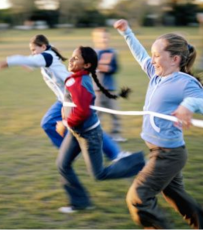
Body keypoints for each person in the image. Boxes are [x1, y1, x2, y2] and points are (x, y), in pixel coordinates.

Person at [114, 19, 203, 229]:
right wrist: (127, 33)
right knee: (178, 198)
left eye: (157, 55)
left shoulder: (184, 82)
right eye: (153, 55)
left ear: (175, 59)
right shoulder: (156, 74)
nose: (152, 60)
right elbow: (141, 55)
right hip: (158, 149)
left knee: (138, 197)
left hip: (168, 154)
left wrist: (189, 104)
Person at [0, 34, 131, 161]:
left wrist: (7, 62)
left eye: (34, 50)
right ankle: (70, 151)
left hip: (75, 96)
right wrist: (27, 64)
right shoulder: (46, 56)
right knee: (48, 123)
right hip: (64, 99)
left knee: (91, 127)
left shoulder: (47, 56)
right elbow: (32, 62)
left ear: (43, 47)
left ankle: (116, 154)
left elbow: (28, 60)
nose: (33, 53)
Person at [56, 46, 145, 214]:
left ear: (87, 65)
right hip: (76, 132)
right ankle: (80, 202)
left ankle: (139, 163)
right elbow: (70, 104)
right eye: (72, 56)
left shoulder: (81, 82)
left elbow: (83, 111)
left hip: (89, 135)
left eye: (76, 58)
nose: (71, 60)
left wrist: (65, 123)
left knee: (99, 174)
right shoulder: (73, 79)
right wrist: (64, 114)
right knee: (62, 164)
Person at [92, 28, 128, 142]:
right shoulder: (93, 53)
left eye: (106, 37)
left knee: (115, 112)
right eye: (101, 37)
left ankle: (116, 134)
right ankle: (98, 135)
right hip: (97, 89)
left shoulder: (113, 52)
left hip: (110, 88)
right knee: (97, 114)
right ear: (95, 39)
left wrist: (109, 68)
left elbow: (116, 68)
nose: (104, 39)